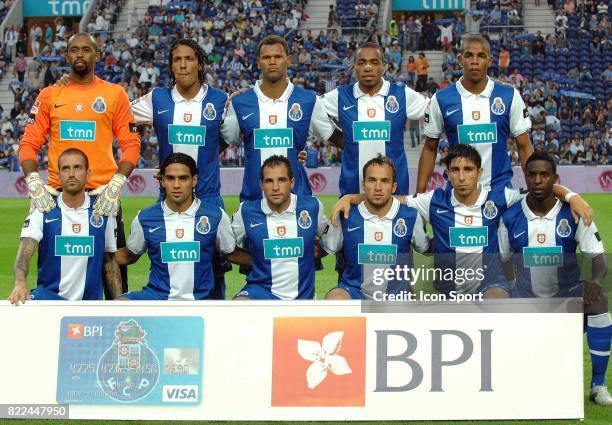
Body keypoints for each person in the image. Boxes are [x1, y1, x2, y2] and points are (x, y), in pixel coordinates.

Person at [333, 145, 593, 298]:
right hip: (447, 288)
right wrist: (352, 198)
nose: (461, 177)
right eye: (455, 170)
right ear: (447, 174)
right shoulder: (435, 200)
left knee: (500, 301)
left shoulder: (500, 197)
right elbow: (390, 196)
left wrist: (571, 196)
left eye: (468, 170)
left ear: (479, 172)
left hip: (489, 284)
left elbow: (539, 190)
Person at [19, 32, 140, 294]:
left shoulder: (114, 94)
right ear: (67, 56)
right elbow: (29, 144)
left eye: (86, 50)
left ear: (97, 56)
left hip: (103, 197)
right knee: (54, 279)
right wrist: (33, 182)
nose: (80, 55)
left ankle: (119, 328)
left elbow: (131, 145)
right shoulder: (50, 94)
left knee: (114, 275)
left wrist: (116, 184)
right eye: (74, 50)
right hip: (56, 199)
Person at [498, 151, 611, 406]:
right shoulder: (510, 218)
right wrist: (514, 290)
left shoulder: (573, 214)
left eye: (544, 175)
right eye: (533, 175)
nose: (538, 180)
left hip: (566, 295)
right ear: (525, 178)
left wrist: (595, 282)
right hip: (525, 297)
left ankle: (598, 384)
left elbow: (599, 260)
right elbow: (504, 263)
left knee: (599, 301)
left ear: (555, 179)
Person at [222, 35, 336, 202]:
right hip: (254, 204)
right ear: (258, 62)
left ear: (288, 60)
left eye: (278, 56)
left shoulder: (308, 100)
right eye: (267, 57)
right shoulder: (240, 103)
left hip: (298, 203)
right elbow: (223, 139)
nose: (272, 61)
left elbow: (335, 137)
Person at [115, 153, 245, 300]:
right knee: (119, 304)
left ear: (194, 180)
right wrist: (94, 254)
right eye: (170, 178)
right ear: (162, 180)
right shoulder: (144, 218)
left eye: (183, 178)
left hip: (201, 300)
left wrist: (270, 259)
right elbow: (127, 255)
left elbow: (232, 253)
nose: (176, 185)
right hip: (157, 297)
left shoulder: (216, 216)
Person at [418, 35, 533, 192]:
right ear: (460, 60)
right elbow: (430, 148)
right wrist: (419, 194)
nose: (474, 61)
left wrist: (533, 190)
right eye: (469, 55)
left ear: (490, 60)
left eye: (481, 56)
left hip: (499, 195)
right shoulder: (441, 98)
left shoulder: (509, 96)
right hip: (457, 195)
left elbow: (524, 146)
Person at [8, 148, 121, 303]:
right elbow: (25, 251)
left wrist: (118, 301)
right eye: (65, 169)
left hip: (89, 306)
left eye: (77, 168)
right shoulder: (43, 209)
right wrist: (20, 283)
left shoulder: (102, 212)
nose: (72, 174)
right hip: (49, 302)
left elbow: (110, 261)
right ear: (58, 175)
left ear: (88, 174)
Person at [319, 42, 428, 197]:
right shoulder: (339, 96)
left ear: (384, 66)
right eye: (362, 63)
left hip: (395, 196)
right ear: (354, 67)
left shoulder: (402, 94)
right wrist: (336, 137)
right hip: (353, 197)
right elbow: (310, 114)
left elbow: (436, 110)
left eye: (374, 62)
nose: (368, 67)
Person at [320, 154, 431, 299]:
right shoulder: (346, 216)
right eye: (372, 180)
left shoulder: (410, 217)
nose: (378, 187)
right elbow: (322, 249)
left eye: (384, 181)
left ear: (393, 186)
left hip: (395, 295)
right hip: (355, 292)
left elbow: (426, 248)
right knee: (335, 298)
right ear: (363, 184)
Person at [231, 155, 328, 299]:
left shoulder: (313, 207)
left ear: (292, 182)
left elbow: (329, 242)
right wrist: (258, 259)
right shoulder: (246, 211)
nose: (275, 187)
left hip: (302, 295)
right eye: (269, 181)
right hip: (260, 290)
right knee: (239, 305)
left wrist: (309, 253)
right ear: (261, 185)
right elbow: (226, 248)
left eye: (281, 180)